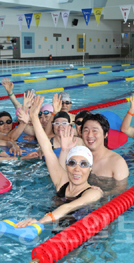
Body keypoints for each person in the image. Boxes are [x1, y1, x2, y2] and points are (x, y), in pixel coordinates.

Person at [15, 96, 102, 228]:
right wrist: (34, 117)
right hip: (55, 224)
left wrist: (39, 222)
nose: (77, 169)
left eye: (83, 164)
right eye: (72, 163)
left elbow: (69, 206)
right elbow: (47, 149)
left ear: (90, 168)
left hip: (84, 235)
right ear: (67, 165)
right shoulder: (61, 181)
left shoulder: (93, 192)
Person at [59, 113, 129, 195]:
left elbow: (121, 191)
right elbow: (59, 176)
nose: (90, 135)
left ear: (105, 134)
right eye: (86, 130)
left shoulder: (117, 162)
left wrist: (97, 195)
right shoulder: (77, 155)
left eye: (95, 131)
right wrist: (64, 150)